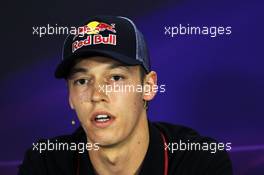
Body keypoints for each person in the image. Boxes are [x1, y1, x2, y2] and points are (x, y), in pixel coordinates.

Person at [18, 15, 233, 175]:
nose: (96, 95)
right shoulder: (45, 164)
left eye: (116, 78)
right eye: (82, 81)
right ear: (70, 97)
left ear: (148, 86)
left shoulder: (199, 161)